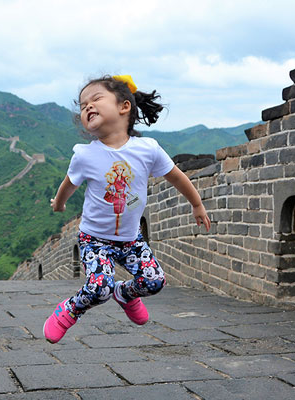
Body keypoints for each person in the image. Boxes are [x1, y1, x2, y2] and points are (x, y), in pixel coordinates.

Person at [43, 74, 211, 343]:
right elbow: (68, 184)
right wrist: (59, 204)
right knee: (99, 290)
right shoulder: (85, 155)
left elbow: (177, 176)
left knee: (154, 281)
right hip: (94, 239)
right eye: (83, 105)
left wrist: (197, 204)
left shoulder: (148, 150)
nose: (87, 107)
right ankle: (71, 309)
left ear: (124, 107)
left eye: (96, 99)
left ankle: (126, 294)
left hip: (131, 240)